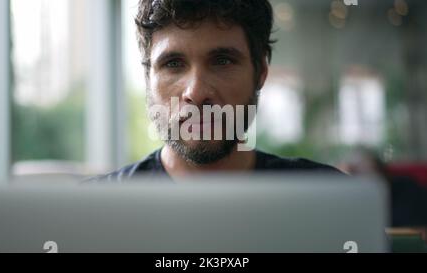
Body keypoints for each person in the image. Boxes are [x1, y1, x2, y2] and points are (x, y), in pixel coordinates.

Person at [87, 0, 341, 183]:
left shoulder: (330, 197)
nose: (196, 92)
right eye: (173, 64)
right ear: (147, 77)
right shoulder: (93, 212)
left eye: (222, 61)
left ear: (260, 71)